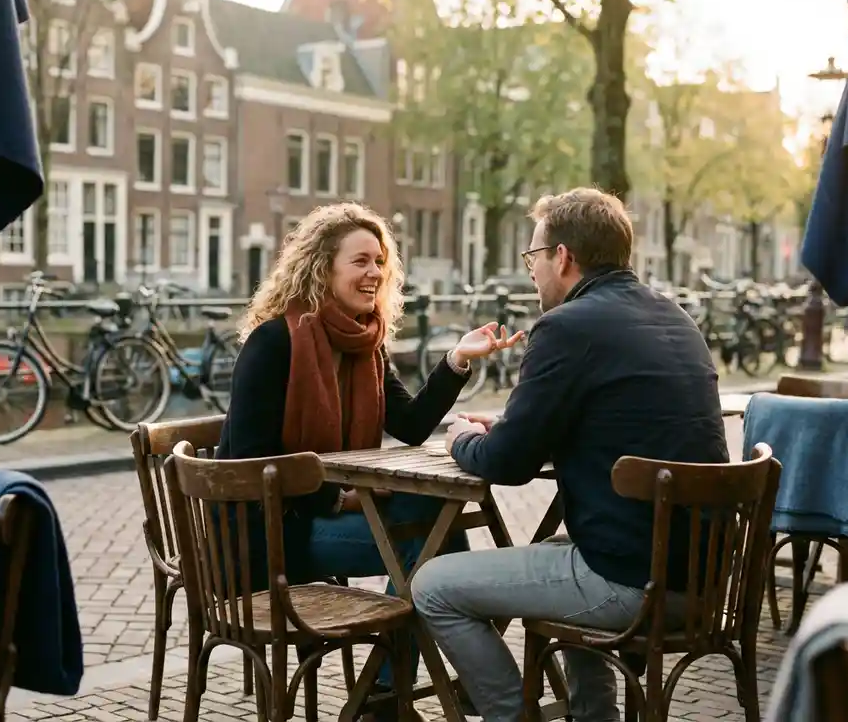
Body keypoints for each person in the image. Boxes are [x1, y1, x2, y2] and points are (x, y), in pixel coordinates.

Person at [410, 188, 730, 722]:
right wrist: (516, 428)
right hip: (704, 577)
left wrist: (463, 438)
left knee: (434, 587)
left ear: (563, 257)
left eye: (533, 256)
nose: (531, 271)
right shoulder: (675, 317)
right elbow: (617, 419)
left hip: (632, 582)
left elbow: (509, 465)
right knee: (566, 550)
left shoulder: (565, 327)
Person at [216, 202, 522, 697]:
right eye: (360, 261)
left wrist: (457, 360)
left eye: (380, 261)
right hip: (272, 532)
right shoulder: (273, 344)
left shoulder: (365, 345)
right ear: (322, 267)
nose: (374, 273)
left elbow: (414, 424)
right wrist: (339, 499)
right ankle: (399, 688)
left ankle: (398, 688)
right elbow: (253, 467)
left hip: (316, 517)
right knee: (424, 542)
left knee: (431, 518)